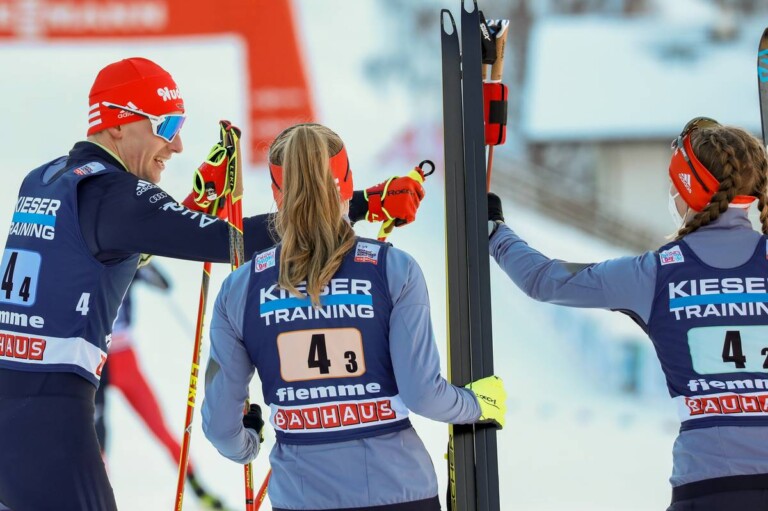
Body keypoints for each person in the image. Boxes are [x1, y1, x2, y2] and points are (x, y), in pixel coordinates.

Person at [0, 57, 427, 511]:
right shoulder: (114, 195)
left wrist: (193, 205)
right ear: (119, 123)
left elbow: (109, 247)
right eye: (167, 125)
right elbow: (227, 241)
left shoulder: (47, 180)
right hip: (50, 417)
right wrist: (355, 204)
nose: (178, 144)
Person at [201, 123, 507, 511]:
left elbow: (220, 426)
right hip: (400, 491)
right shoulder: (394, 269)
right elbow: (424, 394)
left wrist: (247, 444)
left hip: (301, 497)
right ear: (347, 185)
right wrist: (479, 404)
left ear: (277, 194)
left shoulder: (242, 287)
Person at [487, 117, 768, 511]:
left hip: (709, 486)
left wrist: (495, 232)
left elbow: (545, 279)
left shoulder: (656, 273)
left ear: (689, 189)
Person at [94, 262, 227, 509]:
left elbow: (164, 284)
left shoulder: (126, 258)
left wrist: (142, 261)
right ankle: (97, 500)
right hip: (95, 359)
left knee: (158, 425)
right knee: (94, 433)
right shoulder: (88, 258)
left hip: (124, 358)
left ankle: (197, 487)